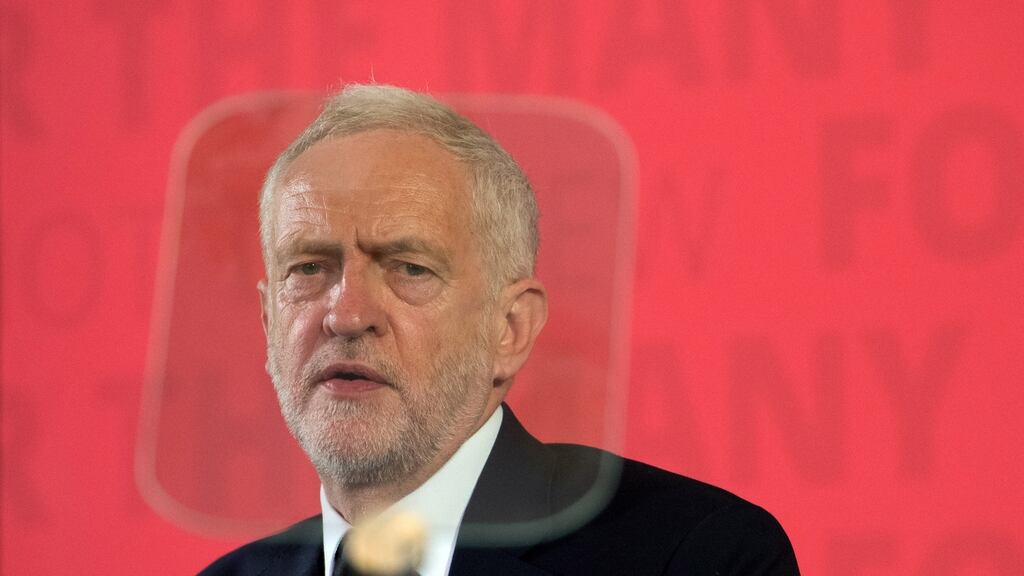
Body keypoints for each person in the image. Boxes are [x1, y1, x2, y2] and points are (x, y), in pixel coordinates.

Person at [201, 84, 799, 576]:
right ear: (267, 322)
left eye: (409, 267)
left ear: (509, 329)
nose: (348, 313)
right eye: (309, 268)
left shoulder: (698, 559)